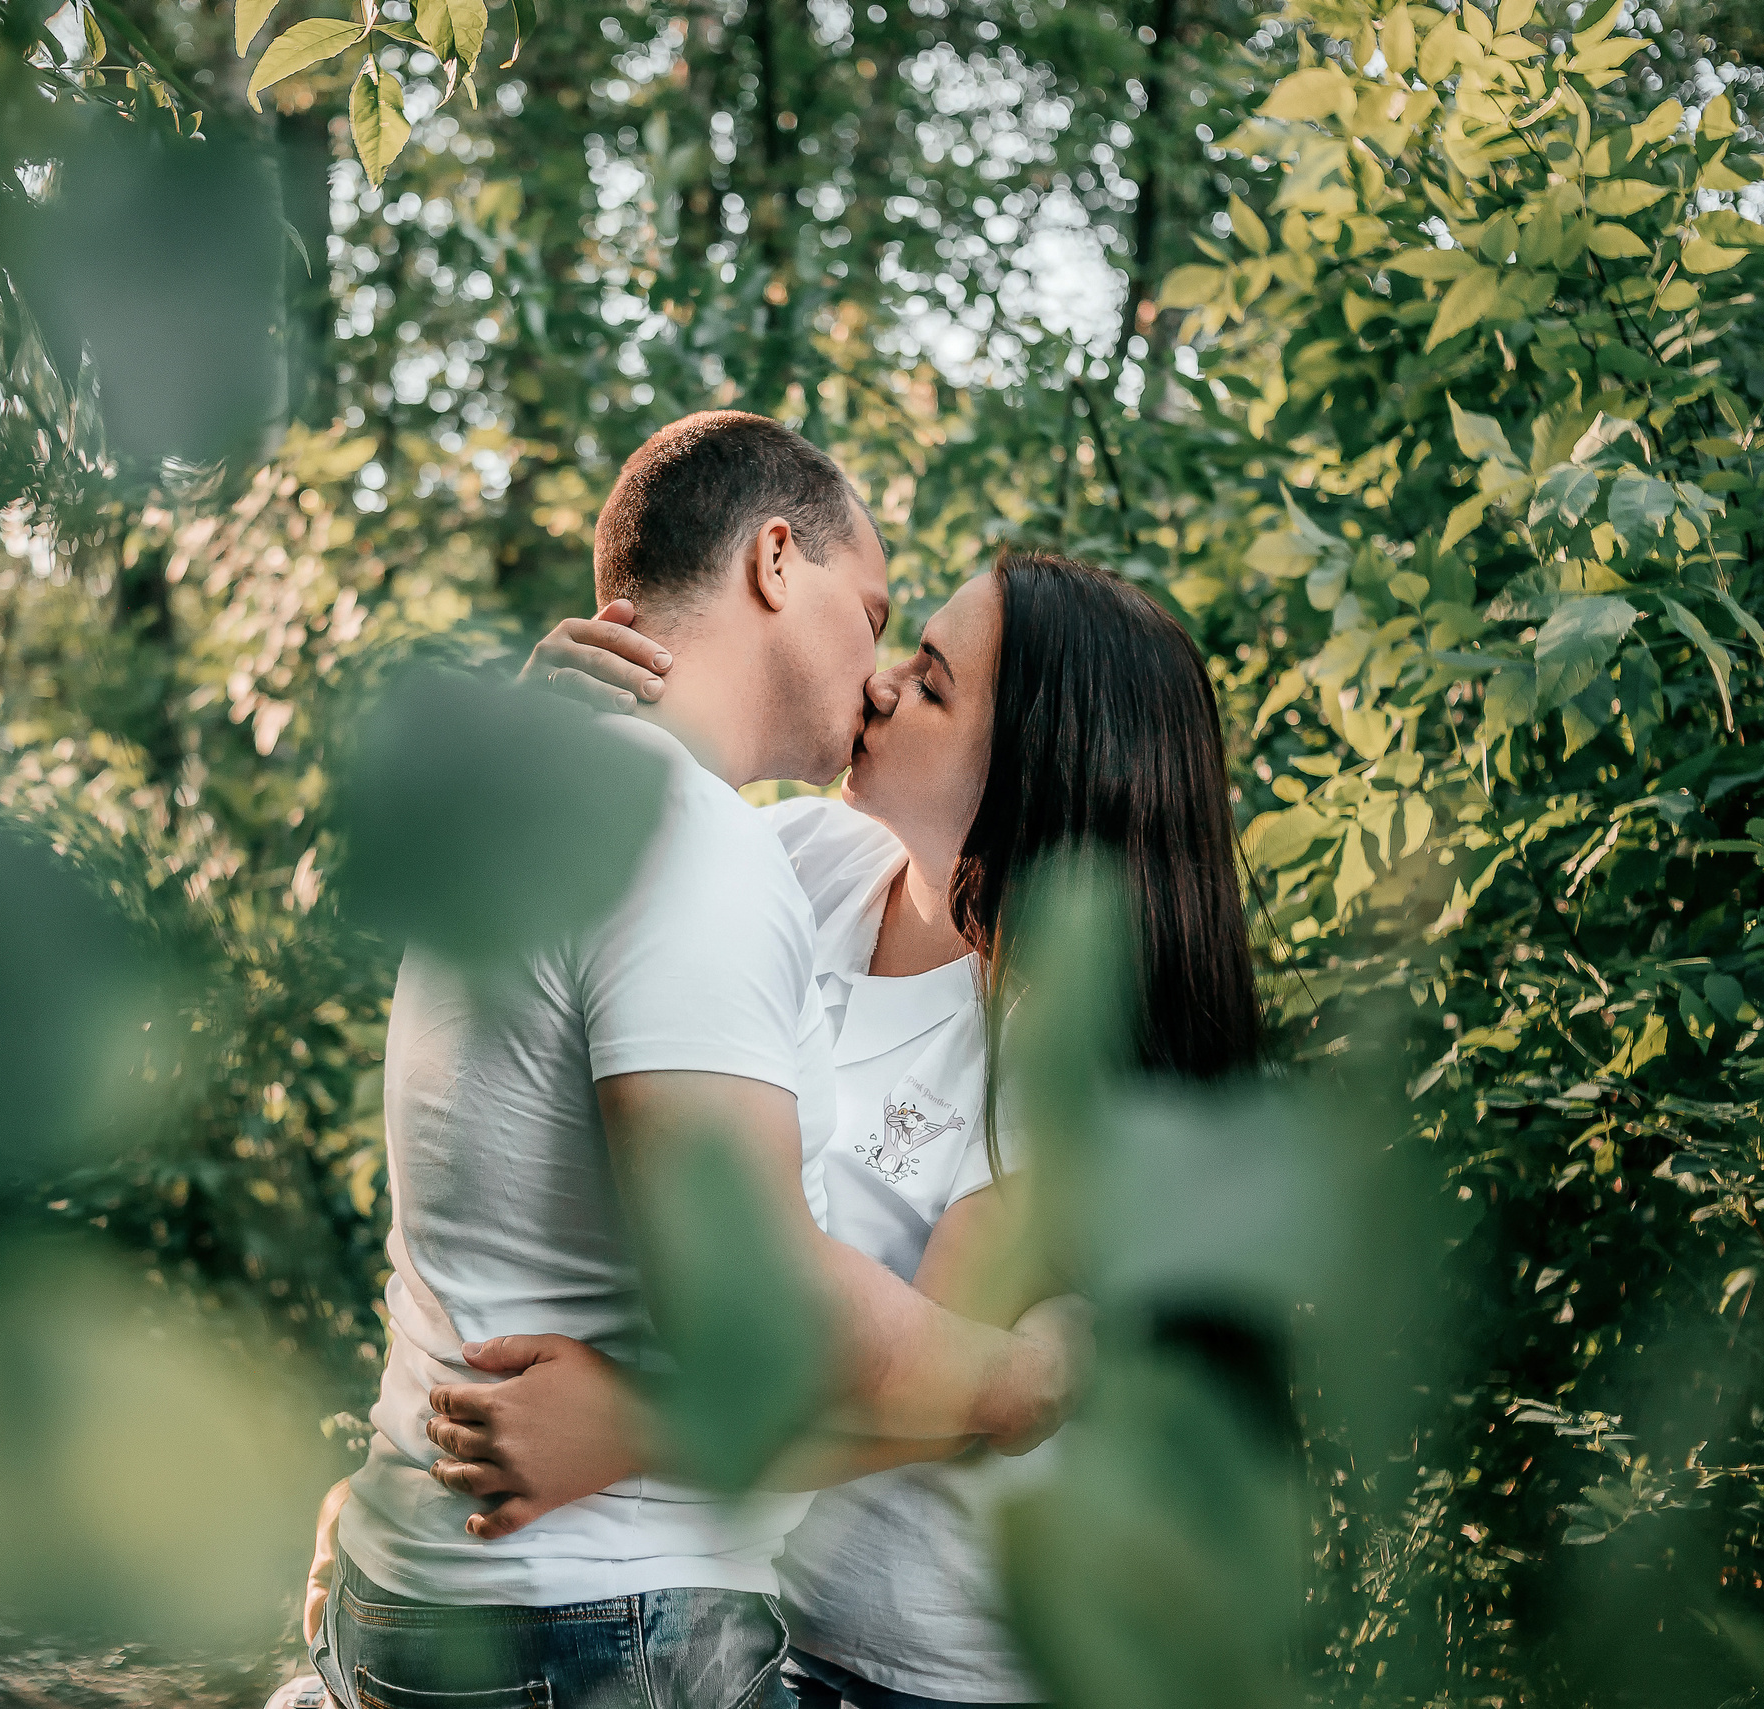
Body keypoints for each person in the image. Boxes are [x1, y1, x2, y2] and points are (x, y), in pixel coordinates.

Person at [307, 412, 1090, 1709]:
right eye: (878, 611)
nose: (881, 673)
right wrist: (1025, 1377)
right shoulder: (713, 850)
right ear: (777, 561)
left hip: (536, 1600)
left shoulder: (599, 819)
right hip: (594, 1620)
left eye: (930, 671)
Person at [423, 549, 1264, 1708]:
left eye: (930, 681)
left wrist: (627, 1434)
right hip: (740, 1607)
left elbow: (938, 1402)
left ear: (1034, 769)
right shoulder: (801, 865)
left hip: (922, 1660)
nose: (878, 683)